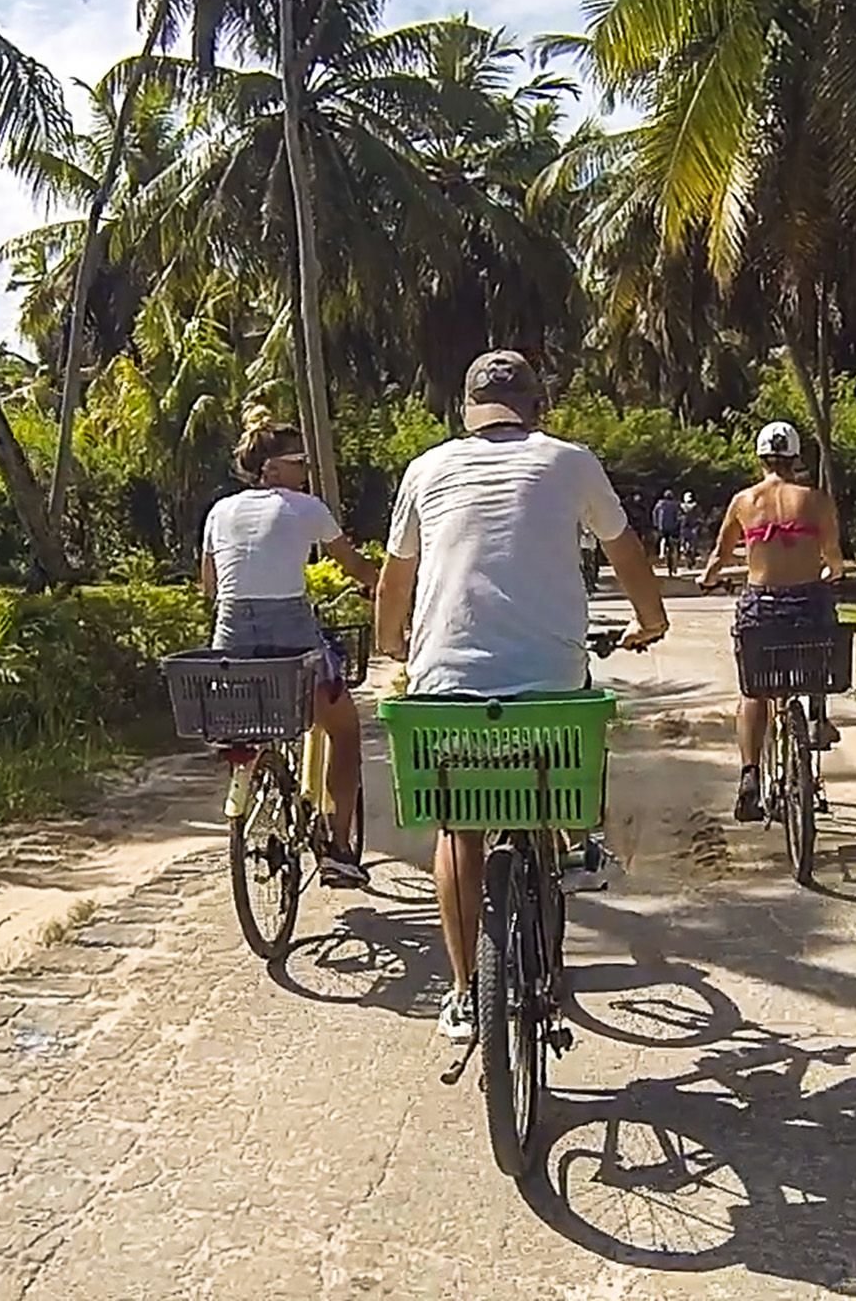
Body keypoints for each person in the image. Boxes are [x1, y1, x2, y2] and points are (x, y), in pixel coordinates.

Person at [376, 351, 671, 1043]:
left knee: (458, 826)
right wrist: (651, 620)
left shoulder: (426, 468)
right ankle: (576, 844)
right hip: (548, 684)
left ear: (467, 411)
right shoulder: (570, 461)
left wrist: (393, 642)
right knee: (573, 733)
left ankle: (461, 991)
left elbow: (396, 579)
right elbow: (626, 554)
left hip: (445, 683)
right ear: (536, 406)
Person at [202, 420, 380, 887]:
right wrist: (383, 587)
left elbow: (210, 587)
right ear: (273, 468)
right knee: (345, 732)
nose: (306, 471)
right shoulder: (306, 509)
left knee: (261, 713)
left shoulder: (219, 512)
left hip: (232, 647)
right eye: (300, 462)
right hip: (292, 644)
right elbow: (355, 565)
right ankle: (339, 851)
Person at [701, 421, 845, 822]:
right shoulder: (816, 501)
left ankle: (749, 775)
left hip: (761, 605)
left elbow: (719, 557)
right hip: (808, 605)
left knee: (754, 691)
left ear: (761, 458)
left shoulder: (744, 502)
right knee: (820, 651)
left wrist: (707, 579)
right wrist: (830, 573)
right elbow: (833, 558)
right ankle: (816, 716)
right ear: (796, 458)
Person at [652, 491, 686, 576]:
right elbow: (680, 516)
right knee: (673, 546)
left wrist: (656, 524)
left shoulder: (659, 504)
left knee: (662, 539)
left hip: (661, 528)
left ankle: (661, 552)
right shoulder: (675, 505)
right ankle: (673, 567)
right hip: (673, 528)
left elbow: (654, 514)